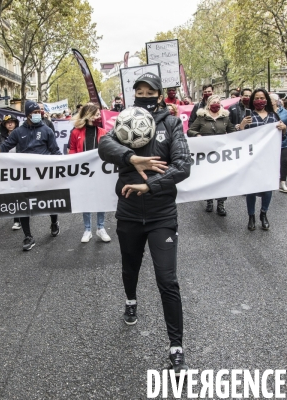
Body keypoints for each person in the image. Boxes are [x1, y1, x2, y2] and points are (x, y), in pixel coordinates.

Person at [98, 72, 192, 375]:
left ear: (159, 93)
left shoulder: (171, 122)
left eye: (149, 90)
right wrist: (131, 158)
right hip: (127, 212)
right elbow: (104, 145)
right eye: (138, 90)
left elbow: (183, 166)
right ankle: (130, 299)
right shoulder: (123, 120)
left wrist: (150, 186)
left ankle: (176, 348)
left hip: (161, 213)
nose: (144, 94)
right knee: (130, 266)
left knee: (167, 279)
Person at [0, 101, 62, 251]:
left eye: (39, 113)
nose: (38, 115)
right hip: (25, 175)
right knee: (24, 204)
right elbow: (5, 147)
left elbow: (55, 150)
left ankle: (54, 222)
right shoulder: (19, 132)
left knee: (50, 201)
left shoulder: (47, 130)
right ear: (27, 115)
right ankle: (28, 236)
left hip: (43, 173)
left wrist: (66, 163)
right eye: (34, 113)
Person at [239, 89, 287, 231]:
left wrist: (284, 129)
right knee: (251, 189)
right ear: (253, 100)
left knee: (268, 187)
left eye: (262, 98)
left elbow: (281, 138)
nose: (260, 100)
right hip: (252, 158)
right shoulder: (248, 116)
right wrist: (241, 126)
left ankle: (264, 213)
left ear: (266, 100)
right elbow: (239, 139)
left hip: (269, 158)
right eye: (257, 98)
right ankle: (251, 216)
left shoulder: (273, 116)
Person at [68, 103, 111, 243]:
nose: (99, 116)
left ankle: (100, 227)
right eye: (96, 114)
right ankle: (87, 229)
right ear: (89, 116)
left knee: (101, 199)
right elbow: (72, 150)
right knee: (85, 199)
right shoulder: (75, 132)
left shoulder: (103, 132)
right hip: (83, 172)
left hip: (100, 172)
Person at [187, 95, 236, 216]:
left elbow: (232, 132)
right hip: (206, 154)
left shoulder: (225, 117)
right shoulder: (201, 117)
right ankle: (209, 201)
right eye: (214, 102)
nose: (217, 104)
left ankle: (221, 203)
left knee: (221, 179)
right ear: (208, 104)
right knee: (208, 178)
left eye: (218, 102)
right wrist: (197, 134)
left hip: (221, 154)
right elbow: (190, 130)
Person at [270, 93, 287, 194]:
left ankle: (282, 183)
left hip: (283, 142)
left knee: (284, 161)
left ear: (276, 101)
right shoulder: (266, 112)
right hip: (270, 144)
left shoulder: (285, 112)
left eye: (270, 99)